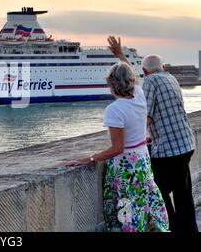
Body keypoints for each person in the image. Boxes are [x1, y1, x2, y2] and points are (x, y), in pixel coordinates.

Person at [67, 36, 169, 232]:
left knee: (126, 207)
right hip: (142, 162)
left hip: (125, 169)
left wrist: (90, 158)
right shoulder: (139, 97)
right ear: (130, 81)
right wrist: (121, 55)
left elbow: (117, 148)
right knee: (143, 203)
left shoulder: (115, 109)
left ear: (112, 84)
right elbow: (134, 75)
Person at [138, 54, 198, 233]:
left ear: (144, 71)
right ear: (162, 67)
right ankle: (188, 228)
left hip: (168, 149)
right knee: (183, 194)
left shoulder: (149, 82)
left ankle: (170, 227)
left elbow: (146, 117)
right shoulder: (171, 78)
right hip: (186, 143)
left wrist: (136, 137)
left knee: (158, 191)